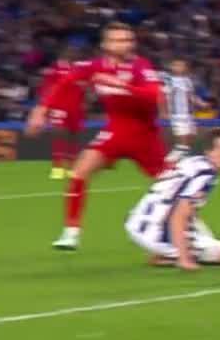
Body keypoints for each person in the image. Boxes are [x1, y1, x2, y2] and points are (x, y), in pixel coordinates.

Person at [25, 22, 168, 251]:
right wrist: (41, 110)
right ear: (106, 44)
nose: (126, 44)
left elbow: (154, 96)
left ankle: (188, 229)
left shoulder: (141, 66)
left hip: (144, 136)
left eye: (128, 40)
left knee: (169, 185)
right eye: (119, 40)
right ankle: (71, 233)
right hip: (115, 131)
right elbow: (65, 83)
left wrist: (123, 85)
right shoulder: (95, 67)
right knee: (80, 171)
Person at [124, 127, 220, 271]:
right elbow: (177, 217)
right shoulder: (204, 175)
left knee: (201, 230)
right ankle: (170, 255)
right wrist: (184, 259)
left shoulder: (193, 162)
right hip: (155, 230)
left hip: (139, 221)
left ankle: (168, 252)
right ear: (209, 152)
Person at [38, 46, 85, 180]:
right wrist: (47, 106)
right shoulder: (56, 68)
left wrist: (83, 101)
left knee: (74, 136)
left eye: (75, 51)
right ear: (63, 53)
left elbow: (84, 87)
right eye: (70, 51)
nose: (73, 53)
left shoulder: (79, 69)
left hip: (75, 108)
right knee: (58, 134)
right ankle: (57, 167)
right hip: (59, 107)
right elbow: (47, 88)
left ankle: (71, 167)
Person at [163, 58, 209, 163]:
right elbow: (165, 96)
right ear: (172, 67)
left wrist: (201, 103)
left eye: (182, 65)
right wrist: (165, 111)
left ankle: (178, 157)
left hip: (188, 114)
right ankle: (171, 161)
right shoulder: (170, 80)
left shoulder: (187, 81)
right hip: (177, 114)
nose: (180, 67)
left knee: (191, 136)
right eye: (177, 65)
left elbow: (190, 96)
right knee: (182, 139)